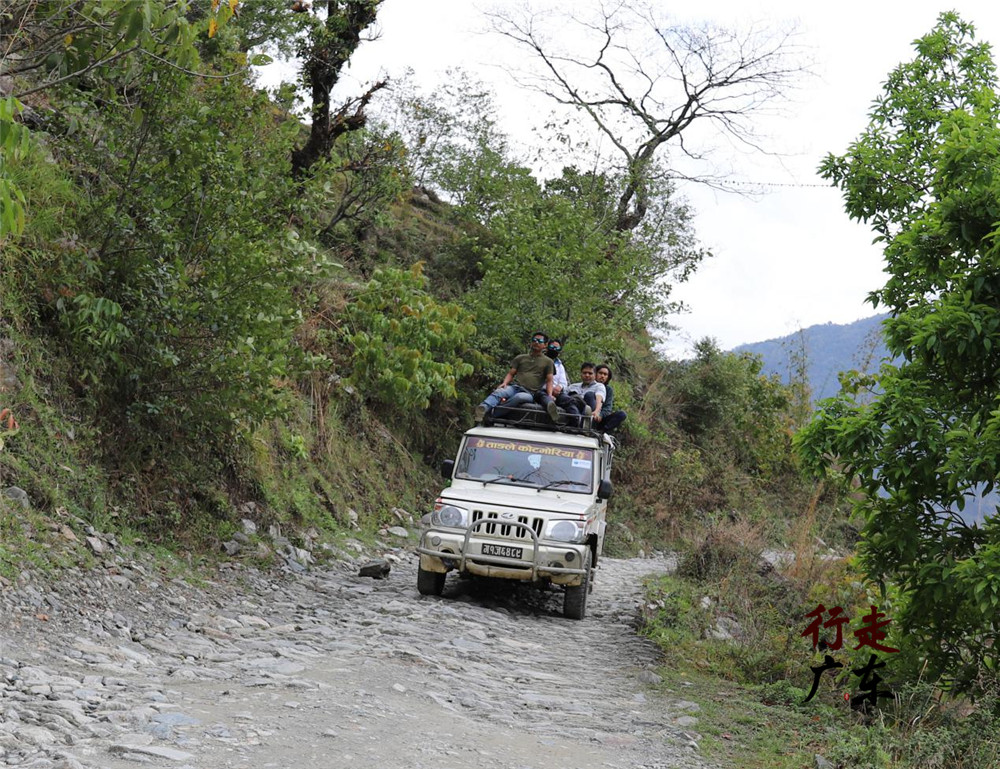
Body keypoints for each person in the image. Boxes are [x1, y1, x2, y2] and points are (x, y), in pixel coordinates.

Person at [475, 332, 559, 423]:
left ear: (545, 345)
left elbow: (549, 381)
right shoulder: (521, 358)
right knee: (500, 392)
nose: (536, 342)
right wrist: (505, 383)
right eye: (534, 340)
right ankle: (483, 408)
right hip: (515, 387)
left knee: (519, 397)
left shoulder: (548, 362)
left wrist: (550, 395)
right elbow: (511, 373)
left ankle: (493, 413)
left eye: (539, 341)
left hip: (531, 393)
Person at [595, 364, 627, 433]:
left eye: (605, 374)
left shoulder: (608, 390)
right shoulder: (589, 385)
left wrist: (600, 415)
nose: (602, 376)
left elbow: (608, 407)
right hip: (587, 415)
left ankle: (602, 432)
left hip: (600, 419)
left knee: (622, 414)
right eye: (600, 373)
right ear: (595, 374)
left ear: (608, 377)